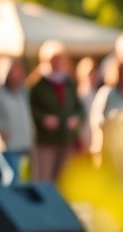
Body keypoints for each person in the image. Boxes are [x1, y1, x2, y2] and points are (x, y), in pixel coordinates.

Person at [28, 40, 84, 183]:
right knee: (44, 178)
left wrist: (76, 119)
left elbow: (79, 108)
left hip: (65, 138)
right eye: (53, 60)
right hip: (45, 140)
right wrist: (43, 119)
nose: (57, 63)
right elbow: (30, 108)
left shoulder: (68, 83)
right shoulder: (37, 84)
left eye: (59, 59)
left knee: (63, 180)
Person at [0, 56, 34, 185]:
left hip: (22, 143)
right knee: (11, 175)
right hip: (4, 144)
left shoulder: (22, 92)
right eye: (15, 69)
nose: (18, 72)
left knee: (23, 179)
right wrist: (1, 127)